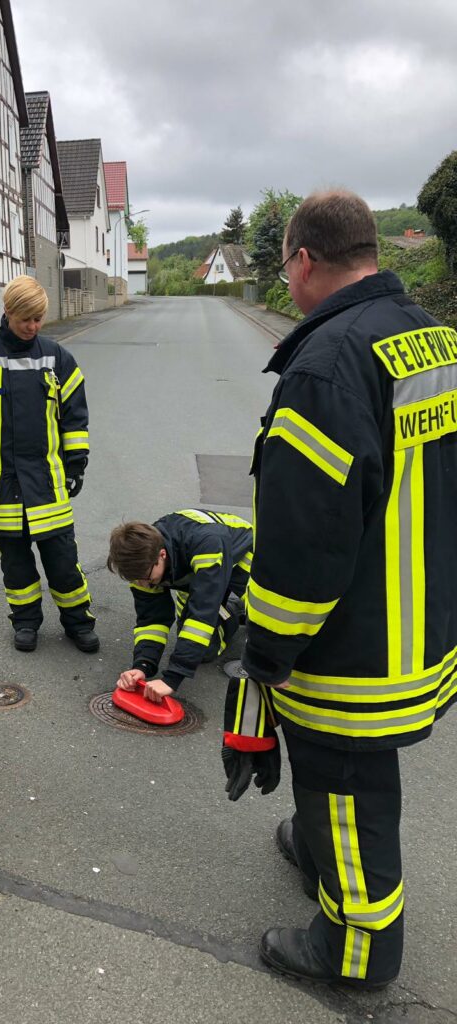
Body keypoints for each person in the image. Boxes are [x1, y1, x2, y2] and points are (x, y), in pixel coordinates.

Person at [230, 190, 457, 989]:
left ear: (302, 260)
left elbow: (306, 540)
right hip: (425, 618)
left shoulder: (326, 366)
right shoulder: (434, 338)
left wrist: (266, 651)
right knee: (336, 779)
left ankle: (357, 951)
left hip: (357, 641)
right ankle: (319, 850)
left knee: (348, 778)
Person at [0, 275, 98, 653]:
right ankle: (26, 622)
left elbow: (74, 416)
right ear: (8, 312)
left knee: (63, 560)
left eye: (38, 319)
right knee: (15, 565)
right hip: (3, 485)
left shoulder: (57, 357)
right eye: (25, 319)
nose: (32, 327)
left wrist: (77, 463)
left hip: (48, 482)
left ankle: (78, 622)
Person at [107, 509, 252, 702]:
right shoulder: (141, 566)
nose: (143, 584)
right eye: (136, 579)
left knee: (263, 623)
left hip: (242, 555)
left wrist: (172, 679)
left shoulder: (206, 545)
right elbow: (152, 619)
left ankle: (236, 607)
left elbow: (202, 614)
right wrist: (142, 665)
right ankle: (228, 612)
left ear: (162, 555)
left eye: (146, 578)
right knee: (204, 650)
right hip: (195, 575)